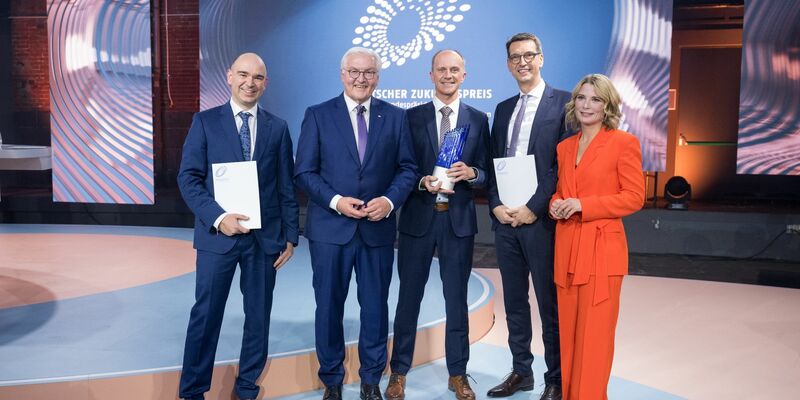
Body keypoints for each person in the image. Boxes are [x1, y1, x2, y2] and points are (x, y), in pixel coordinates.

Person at [294, 47, 417, 400]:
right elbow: (304, 170)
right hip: (330, 230)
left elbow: (407, 168)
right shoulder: (317, 115)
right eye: (354, 72)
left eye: (368, 73)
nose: (361, 79)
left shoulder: (395, 117)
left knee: (376, 307)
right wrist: (336, 201)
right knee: (329, 306)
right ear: (342, 73)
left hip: (377, 230)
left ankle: (370, 380)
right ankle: (331, 379)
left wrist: (389, 201)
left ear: (377, 77)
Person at [177, 53, 299, 400]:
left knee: (258, 318)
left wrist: (290, 235)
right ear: (229, 77)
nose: (250, 82)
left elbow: (285, 185)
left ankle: (247, 387)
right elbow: (188, 178)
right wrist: (218, 216)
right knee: (206, 315)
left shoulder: (278, 127)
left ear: (266, 83)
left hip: (265, 241)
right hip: (218, 238)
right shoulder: (205, 122)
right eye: (243, 75)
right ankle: (192, 391)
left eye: (258, 77)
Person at [384, 49, 490, 400]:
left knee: (456, 300)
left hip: (458, 221)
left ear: (464, 74)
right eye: (441, 69)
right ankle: (398, 372)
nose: (448, 75)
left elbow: (488, 172)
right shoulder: (409, 118)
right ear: (431, 75)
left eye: (454, 69)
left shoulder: (478, 119)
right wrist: (420, 182)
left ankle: (458, 374)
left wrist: (472, 173)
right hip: (417, 219)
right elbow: (401, 167)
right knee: (408, 299)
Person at [486, 33, 572, 400]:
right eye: (514, 57)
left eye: (528, 55)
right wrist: (495, 204)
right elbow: (493, 165)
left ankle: (555, 377)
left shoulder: (565, 103)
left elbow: (560, 167)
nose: (522, 62)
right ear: (508, 64)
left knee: (549, 303)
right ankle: (522, 371)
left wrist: (532, 208)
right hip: (505, 222)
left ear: (541, 58)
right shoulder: (504, 108)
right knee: (514, 303)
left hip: (541, 222)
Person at [549, 74, 644, 400]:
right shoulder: (565, 147)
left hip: (601, 253)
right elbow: (562, 191)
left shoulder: (623, 143)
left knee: (595, 340)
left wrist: (583, 205)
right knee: (571, 338)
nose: (587, 105)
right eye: (582, 98)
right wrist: (556, 205)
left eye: (596, 99)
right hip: (567, 249)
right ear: (574, 103)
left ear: (607, 107)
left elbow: (634, 197)